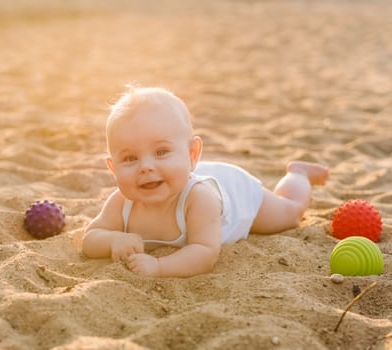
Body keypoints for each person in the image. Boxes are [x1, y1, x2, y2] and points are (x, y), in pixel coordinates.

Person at [81, 86, 329, 278]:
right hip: (197, 178)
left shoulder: (198, 199)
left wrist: (159, 266)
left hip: (235, 194)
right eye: (130, 158)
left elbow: (204, 252)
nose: (146, 167)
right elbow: (90, 237)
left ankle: (298, 174)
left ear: (192, 155)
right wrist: (112, 240)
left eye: (161, 152)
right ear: (113, 168)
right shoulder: (122, 202)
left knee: (290, 214)